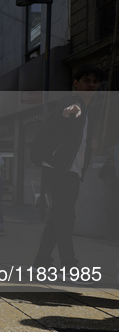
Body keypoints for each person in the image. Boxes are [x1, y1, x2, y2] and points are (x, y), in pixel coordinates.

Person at [31, 64, 103, 270]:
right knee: (65, 218)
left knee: (59, 218)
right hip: (59, 169)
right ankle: (69, 266)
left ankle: (41, 262)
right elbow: (57, 120)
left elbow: (75, 142)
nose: (92, 85)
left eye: (95, 82)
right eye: (87, 81)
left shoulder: (88, 112)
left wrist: (91, 146)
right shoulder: (72, 103)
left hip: (71, 172)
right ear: (76, 83)